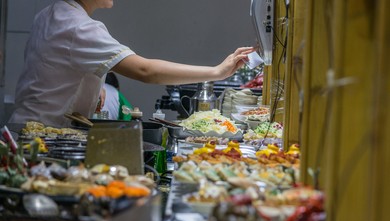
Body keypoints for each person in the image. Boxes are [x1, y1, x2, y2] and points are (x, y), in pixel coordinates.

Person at [8, 0, 254, 127]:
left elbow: (55, 68)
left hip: (22, 130)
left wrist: (94, 86)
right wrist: (215, 72)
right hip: (44, 138)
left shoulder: (51, 14)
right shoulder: (79, 27)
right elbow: (145, 71)